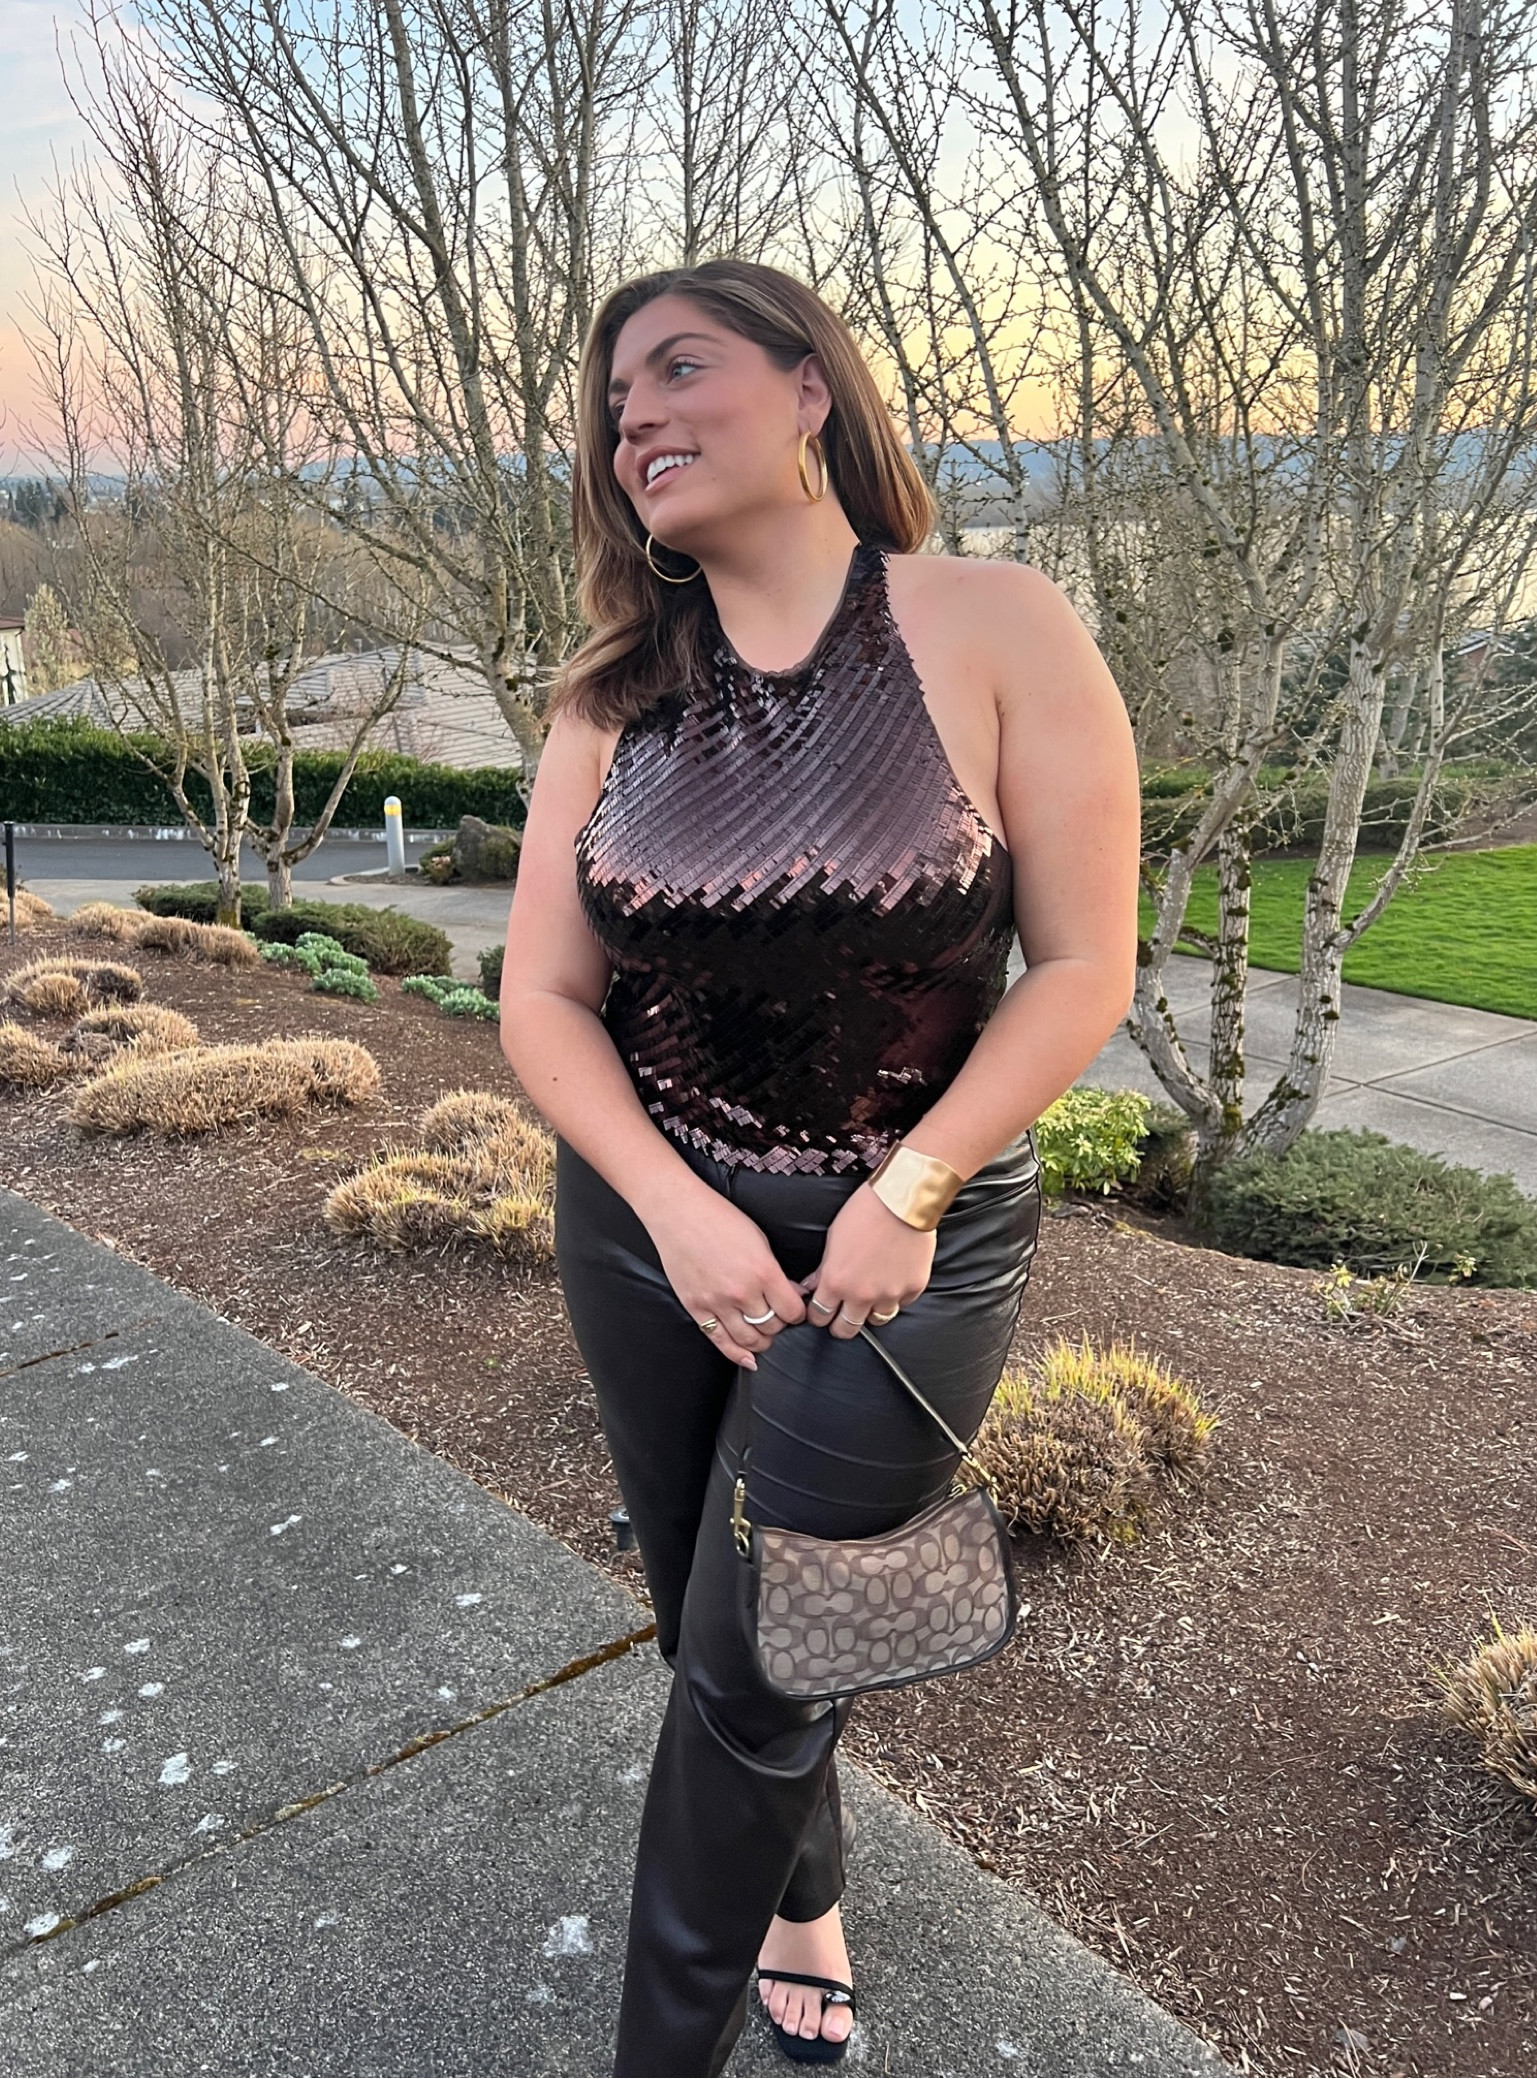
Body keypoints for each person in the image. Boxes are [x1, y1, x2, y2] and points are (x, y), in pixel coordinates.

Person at [498, 258, 1140, 2078]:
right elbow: (541, 998)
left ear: (807, 389)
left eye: (677, 367)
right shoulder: (611, 695)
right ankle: (803, 1902)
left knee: (760, 1664)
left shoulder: (993, 623)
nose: (634, 417)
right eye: (612, 403)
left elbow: (1081, 967)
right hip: (648, 1233)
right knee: (706, 1615)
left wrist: (908, 1189)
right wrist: (675, 1211)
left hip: (902, 1250)